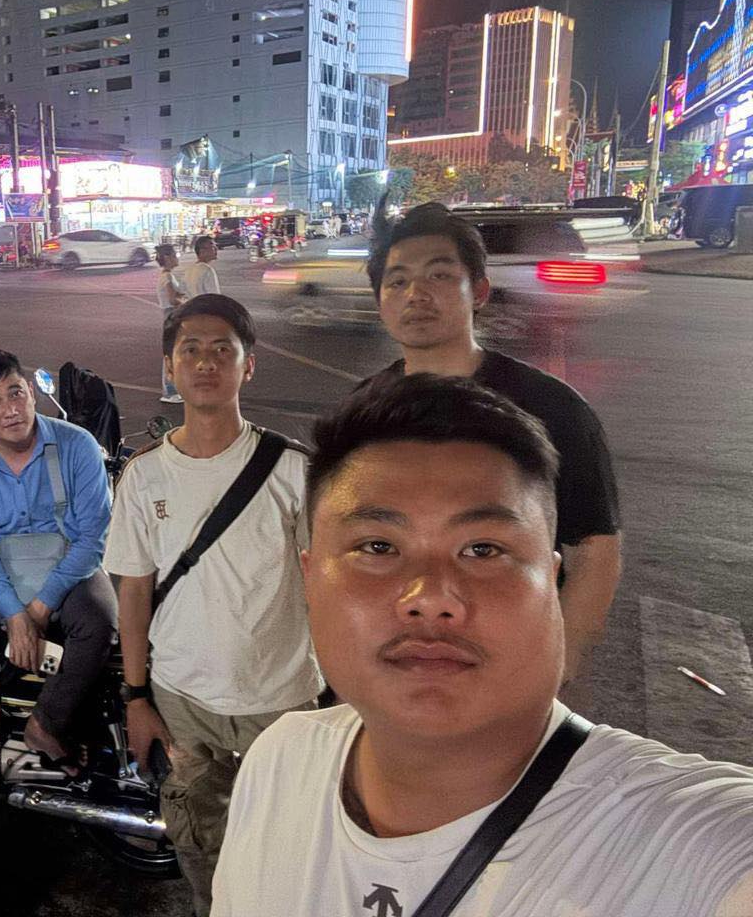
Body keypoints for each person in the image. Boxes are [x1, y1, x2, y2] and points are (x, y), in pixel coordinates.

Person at [212, 374, 753, 916]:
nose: (429, 598)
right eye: (378, 547)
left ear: (551, 581)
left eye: (483, 550)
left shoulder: (696, 846)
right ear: (309, 578)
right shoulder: (280, 760)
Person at [104, 294, 324, 917]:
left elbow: (329, 587)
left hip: (281, 701)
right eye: (190, 350)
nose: (205, 363)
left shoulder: (292, 471)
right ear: (169, 367)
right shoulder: (144, 476)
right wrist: (136, 697)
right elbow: (134, 592)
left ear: (248, 365)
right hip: (182, 703)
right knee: (198, 840)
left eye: (222, 350)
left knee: (290, 844)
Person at [358, 200, 621, 682]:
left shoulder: (549, 407)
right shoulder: (363, 408)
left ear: (478, 291)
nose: (416, 294)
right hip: (398, 652)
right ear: (380, 301)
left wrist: (556, 669)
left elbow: (594, 552)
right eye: (397, 281)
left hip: (507, 659)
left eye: (439, 275)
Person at [0, 350, 117, 771]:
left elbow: (92, 537)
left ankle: (47, 722)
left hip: (69, 559)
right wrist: (14, 614)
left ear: (31, 391)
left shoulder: (77, 444)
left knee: (100, 623)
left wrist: (41, 608)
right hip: (1, 561)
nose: (10, 410)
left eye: (15, 393)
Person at [155, 243, 185, 404]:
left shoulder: (166, 275)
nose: (176, 258)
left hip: (170, 314)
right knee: (171, 353)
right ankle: (170, 391)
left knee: (173, 352)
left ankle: (172, 389)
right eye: (174, 255)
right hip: (171, 314)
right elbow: (172, 299)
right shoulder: (167, 276)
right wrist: (187, 302)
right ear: (167, 257)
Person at [178, 234, 221, 299]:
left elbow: (182, 293)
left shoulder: (188, 271)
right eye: (213, 247)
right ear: (202, 251)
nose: (216, 249)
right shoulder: (207, 270)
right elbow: (214, 297)